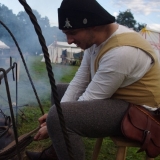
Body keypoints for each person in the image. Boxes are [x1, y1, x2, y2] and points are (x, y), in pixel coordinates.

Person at [26, 0, 160, 159]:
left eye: (73, 33)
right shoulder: (97, 40)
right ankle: (57, 152)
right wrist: (58, 117)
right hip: (122, 100)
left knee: (58, 117)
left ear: (93, 26)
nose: (69, 41)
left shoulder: (122, 52)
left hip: (142, 112)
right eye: (66, 34)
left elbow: (91, 97)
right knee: (60, 91)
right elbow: (80, 80)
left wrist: (54, 123)